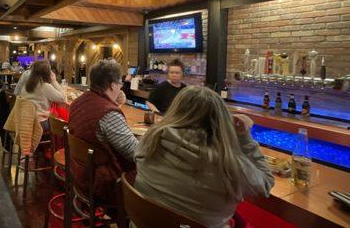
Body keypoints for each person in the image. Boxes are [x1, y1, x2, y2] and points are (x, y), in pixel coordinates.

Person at [134, 86, 274, 228]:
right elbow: (265, 185)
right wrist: (245, 138)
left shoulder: (151, 140)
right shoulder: (227, 164)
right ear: (221, 120)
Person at [68, 59, 136, 203]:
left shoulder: (78, 102)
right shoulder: (108, 114)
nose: (120, 88)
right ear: (112, 85)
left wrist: (114, 103)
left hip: (79, 173)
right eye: (120, 84)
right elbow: (136, 153)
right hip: (103, 183)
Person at [19, 60, 66, 129]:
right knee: (63, 125)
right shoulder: (44, 86)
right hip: (39, 123)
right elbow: (63, 98)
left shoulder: (26, 85)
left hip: (25, 121)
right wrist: (54, 81)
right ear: (47, 73)